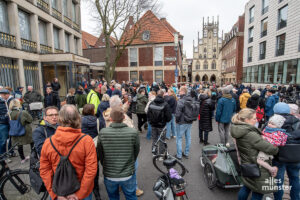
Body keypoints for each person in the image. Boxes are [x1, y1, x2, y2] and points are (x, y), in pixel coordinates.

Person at [40, 105, 97, 200]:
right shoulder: (86, 141)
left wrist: (54, 194)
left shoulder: (48, 142)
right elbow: (91, 170)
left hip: (58, 191)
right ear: (78, 118)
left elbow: (44, 170)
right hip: (81, 192)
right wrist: (80, 194)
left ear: (60, 119)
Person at [231, 108, 279, 200]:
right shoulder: (250, 134)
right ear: (246, 120)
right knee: (258, 191)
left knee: (247, 186)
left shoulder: (238, 128)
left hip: (247, 163)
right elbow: (271, 149)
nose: (257, 120)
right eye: (254, 118)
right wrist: (276, 147)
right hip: (257, 166)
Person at [98, 107, 140, 200]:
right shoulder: (133, 132)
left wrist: (104, 164)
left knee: (113, 197)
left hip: (110, 174)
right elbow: (136, 151)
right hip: (128, 173)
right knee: (131, 196)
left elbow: (100, 154)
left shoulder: (103, 132)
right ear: (124, 118)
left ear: (111, 119)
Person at [272, 102, 300, 200]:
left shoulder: (273, 121)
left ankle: (278, 198)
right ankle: (296, 198)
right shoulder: (298, 121)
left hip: (279, 155)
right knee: (295, 178)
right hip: (295, 155)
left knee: (278, 180)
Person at [81, 104, 101, 200]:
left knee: (84, 167)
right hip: (94, 146)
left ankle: (86, 186)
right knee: (94, 168)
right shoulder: (98, 120)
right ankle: (96, 190)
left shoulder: (80, 121)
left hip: (83, 147)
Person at [147, 90, 172, 156]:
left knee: (154, 139)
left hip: (153, 125)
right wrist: (165, 121)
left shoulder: (152, 103)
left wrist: (150, 122)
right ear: (163, 95)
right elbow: (169, 117)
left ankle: (154, 153)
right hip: (161, 125)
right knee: (162, 140)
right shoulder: (165, 104)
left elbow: (148, 114)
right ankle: (161, 154)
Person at [9, 99, 33, 163]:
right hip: (25, 130)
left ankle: (22, 159)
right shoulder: (23, 112)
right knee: (31, 142)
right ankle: (33, 156)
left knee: (19, 145)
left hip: (14, 130)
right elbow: (30, 120)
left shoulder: (9, 113)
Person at [175, 86, 194, 160]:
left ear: (183, 92)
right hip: (189, 121)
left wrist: (177, 120)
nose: (179, 92)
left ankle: (179, 155)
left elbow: (178, 113)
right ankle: (186, 153)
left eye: (180, 91)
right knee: (188, 137)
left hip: (182, 122)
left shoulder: (181, 100)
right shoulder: (191, 99)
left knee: (179, 138)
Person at [0, 89, 13, 155]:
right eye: (8, 94)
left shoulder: (7, 101)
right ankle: (3, 155)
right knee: (3, 141)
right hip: (2, 123)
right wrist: (5, 116)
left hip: (8, 122)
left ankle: (10, 152)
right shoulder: (2, 102)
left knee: (10, 138)